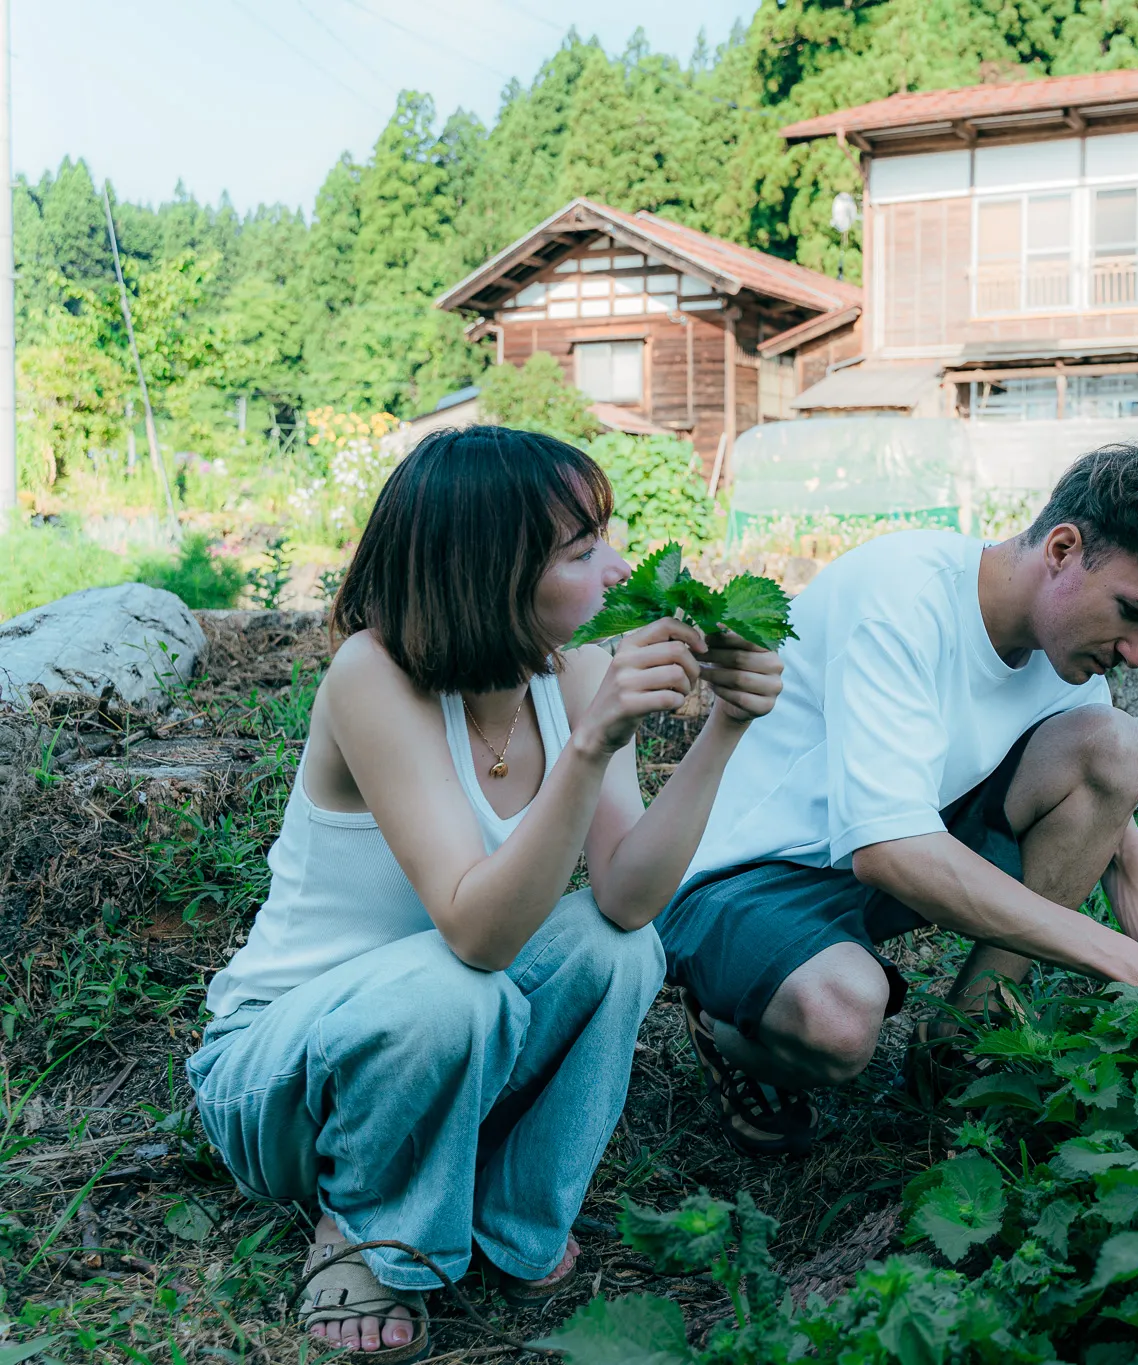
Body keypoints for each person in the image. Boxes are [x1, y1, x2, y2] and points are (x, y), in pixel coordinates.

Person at [187, 427, 783, 1362]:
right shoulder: (373, 677)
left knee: (619, 947)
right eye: (583, 553)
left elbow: (626, 899)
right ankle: (369, 1226)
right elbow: (474, 932)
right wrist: (591, 748)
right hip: (284, 1071)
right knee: (452, 986)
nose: (618, 568)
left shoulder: (571, 664)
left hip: (449, 1044)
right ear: (490, 571)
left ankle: (513, 1217)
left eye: (607, 540)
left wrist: (724, 731)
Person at [655, 441, 1138, 1155]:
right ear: (1062, 548)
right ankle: (726, 1029)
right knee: (842, 1019)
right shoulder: (903, 596)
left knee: (1116, 746)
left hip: (889, 848)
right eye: (1132, 612)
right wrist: (1124, 962)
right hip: (747, 872)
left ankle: (959, 1047)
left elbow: (1121, 843)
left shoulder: (1065, 661)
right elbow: (891, 853)